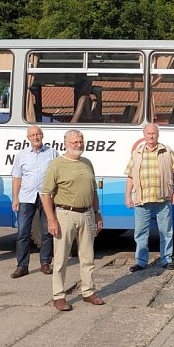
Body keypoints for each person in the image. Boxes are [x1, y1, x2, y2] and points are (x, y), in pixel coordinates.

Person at [41, 129, 105, 311]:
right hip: (65, 215)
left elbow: (93, 191)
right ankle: (59, 296)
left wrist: (97, 213)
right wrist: (51, 220)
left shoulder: (87, 163)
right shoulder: (56, 165)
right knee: (61, 258)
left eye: (81, 141)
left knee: (87, 257)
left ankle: (88, 292)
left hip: (86, 214)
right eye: (75, 142)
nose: (79, 145)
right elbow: (46, 195)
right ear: (66, 144)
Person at [125, 123, 174, 272]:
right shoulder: (136, 154)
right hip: (142, 199)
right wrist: (127, 196)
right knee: (141, 233)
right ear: (144, 135)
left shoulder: (167, 151)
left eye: (154, 133)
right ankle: (141, 262)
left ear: (158, 135)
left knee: (166, 232)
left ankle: (166, 260)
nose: (151, 136)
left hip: (163, 198)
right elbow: (130, 176)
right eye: (148, 134)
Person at [10, 125, 58, 278]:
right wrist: (15, 198)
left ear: (42, 135)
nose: (36, 137)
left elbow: (58, 176)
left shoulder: (52, 153)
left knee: (46, 232)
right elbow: (17, 178)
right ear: (28, 138)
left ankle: (45, 263)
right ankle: (22, 266)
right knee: (23, 233)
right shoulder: (22, 155)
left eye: (38, 134)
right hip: (26, 198)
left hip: (47, 197)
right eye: (32, 135)